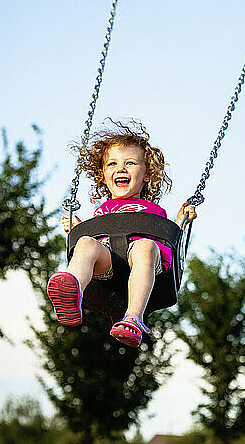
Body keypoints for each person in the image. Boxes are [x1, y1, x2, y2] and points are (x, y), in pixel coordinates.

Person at [47, 119, 196, 347]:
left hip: (144, 262)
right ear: (103, 176)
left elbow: (169, 238)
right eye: (112, 164)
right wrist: (77, 228)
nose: (120, 169)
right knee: (86, 242)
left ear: (147, 174)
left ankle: (133, 317)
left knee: (145, 246)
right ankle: (72, 290)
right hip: (109, 265)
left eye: (130, 163)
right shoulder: (101, 211)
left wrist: (181, 220)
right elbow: (95, 243)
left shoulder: (154, 211)